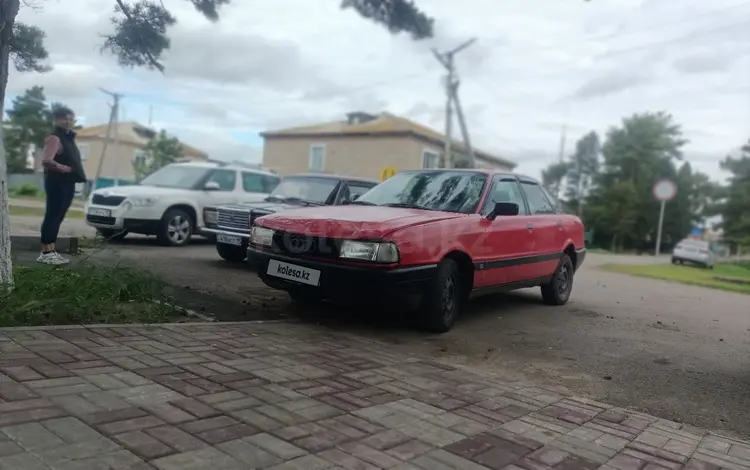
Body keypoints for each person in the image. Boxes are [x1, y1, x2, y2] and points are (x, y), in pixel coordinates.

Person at [38, 107, 87, 265]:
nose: (68, 122)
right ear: (56, 120)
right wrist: (66, 169)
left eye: (71, 119)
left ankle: (51, 250)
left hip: (67, 183)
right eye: (64, 118)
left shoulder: (68, 138)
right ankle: (46, 252)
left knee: (58, 217)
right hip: (57, 183)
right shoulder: (55, 138)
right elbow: (47, 161)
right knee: (52, 216)